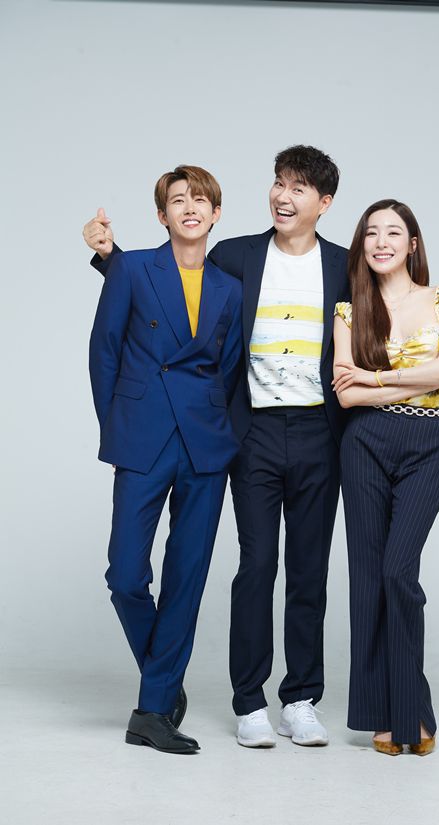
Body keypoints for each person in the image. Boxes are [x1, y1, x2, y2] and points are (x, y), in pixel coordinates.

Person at [83, 146, 439, 749]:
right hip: (249, 432)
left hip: (321, 434)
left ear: (323, 203)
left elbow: (400, 293)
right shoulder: (235, 255)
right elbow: (173, 286)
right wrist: (110, 259)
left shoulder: (343, 265)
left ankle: (301, 698)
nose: (283, 196)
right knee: (255, 566)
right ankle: (249, 701)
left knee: (309, 570)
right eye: (278, 183)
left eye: (299, 188)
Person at [333, 199, 439, 756]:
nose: (381, 242)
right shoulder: (349, 311)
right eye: (371, 233)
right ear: (362, 245)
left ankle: (410, 708)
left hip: (429, 445)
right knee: (368, 580)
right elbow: (346, 395)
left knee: (398, 572)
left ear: (412, 244)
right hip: (364, 446)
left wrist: (376, 377)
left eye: (393, 233)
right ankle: (389, 716)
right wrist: (416, 375)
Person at [89, 165, 242, 754]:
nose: (190, 208)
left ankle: (151, 712)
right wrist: (118, 428)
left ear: (216, 213)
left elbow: (229, 370)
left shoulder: (229, 287)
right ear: (162, 215)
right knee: (126, 575)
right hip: (143, 436)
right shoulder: (131, 269)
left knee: (186, 577)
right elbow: (104, 352)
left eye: (200, 200)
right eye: (178, 200)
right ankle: (164, 678)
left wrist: (222, 436)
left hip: (204, 445)